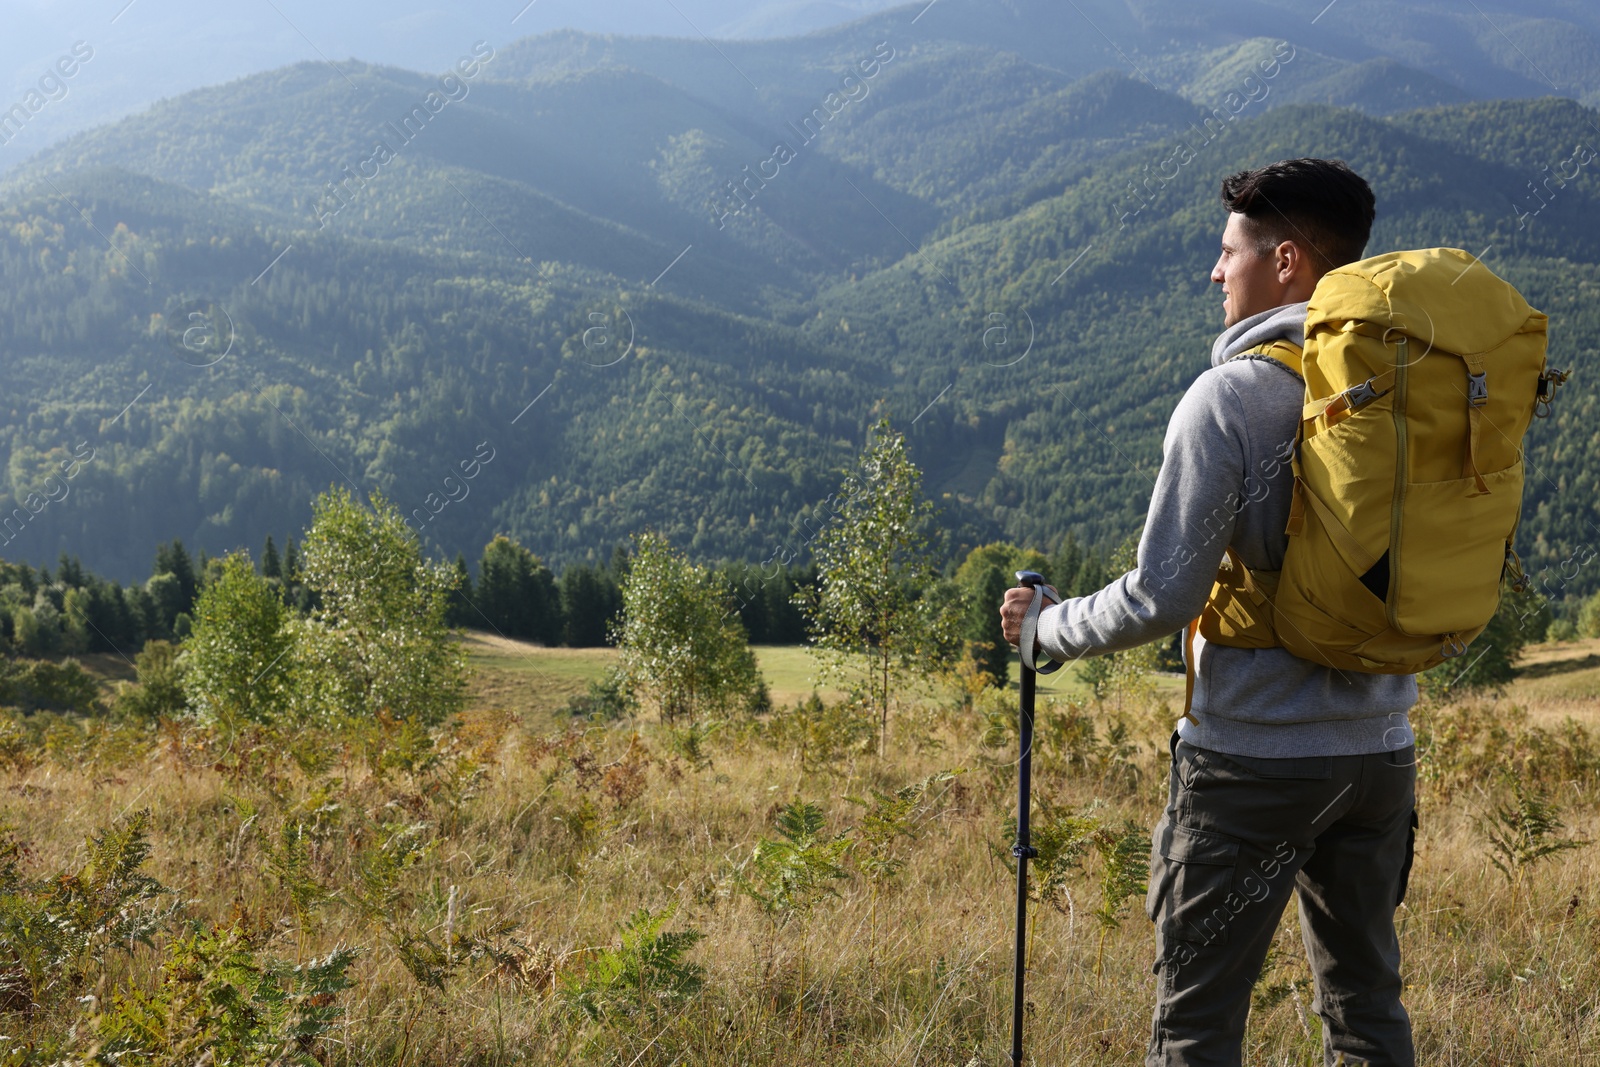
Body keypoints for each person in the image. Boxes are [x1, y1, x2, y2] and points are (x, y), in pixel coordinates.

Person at [1000, 158, 1418, 1067]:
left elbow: (1161, 594)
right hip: (1382, 752)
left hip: (1252, 761)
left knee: (1195, 1022)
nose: (1214, 270)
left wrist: (1047, 629)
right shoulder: (1404, 387)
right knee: (1365, 1005)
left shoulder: (1230, 397)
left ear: (1289, 262)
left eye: (1230, 251)